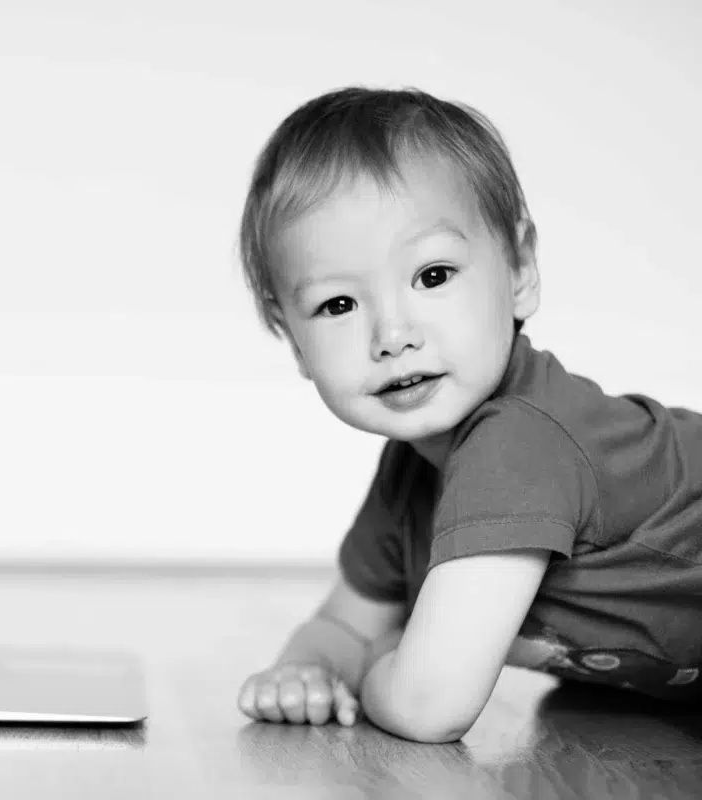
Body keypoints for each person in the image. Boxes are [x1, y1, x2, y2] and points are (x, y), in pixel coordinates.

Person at [234, 86, 702, 743]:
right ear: (291, 336)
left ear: (520, 269)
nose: (392, 335)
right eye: (339, 305)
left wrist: (371, 670)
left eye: (432, 276)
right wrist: (309, 668)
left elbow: (430, 704)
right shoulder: (411, 470)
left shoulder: (520, 442)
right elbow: (346, 625)